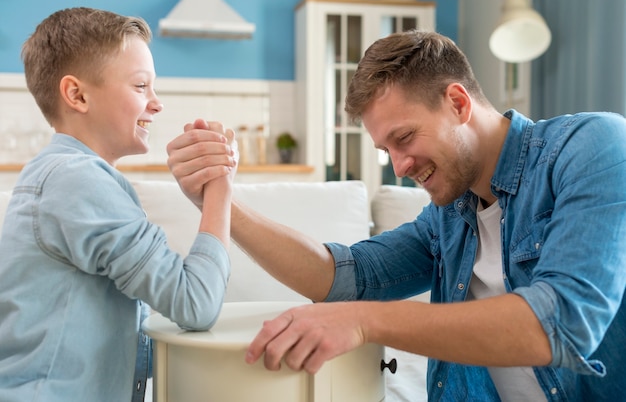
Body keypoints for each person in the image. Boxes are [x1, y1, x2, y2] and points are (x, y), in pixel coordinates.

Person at [166, 30, 626, 401]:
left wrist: (363, 322)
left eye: (404, 138)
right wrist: (221, 199)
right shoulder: (450, 213)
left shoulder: (593, 147)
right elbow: (344, 276)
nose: (400, 166)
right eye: (386, 150)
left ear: (458, 103)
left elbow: (561, 322)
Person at [0, 7, 238, 402]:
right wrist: (220, 188)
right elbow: (195, 303)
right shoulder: (78, 181)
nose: (157, 103)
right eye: (140, 86)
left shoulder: (59, 174)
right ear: (77, 95)